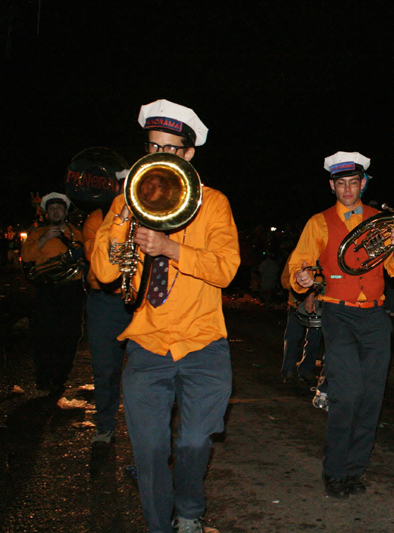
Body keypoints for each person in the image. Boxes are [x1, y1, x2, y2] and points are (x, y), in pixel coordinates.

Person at [91, 99, 240, 533]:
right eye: (153, 146)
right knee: (150, 449)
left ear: (189, 154)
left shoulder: (213, 203)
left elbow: (226, 268)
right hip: (147, 343)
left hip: (203, 341)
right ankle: (159, 525)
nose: (161, 156)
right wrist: (123, 212)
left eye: (172, 148)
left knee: (195, 440)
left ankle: (189, 510)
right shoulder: (127, 200)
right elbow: (103, 271)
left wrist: (170, 248)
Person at [288, 151, 394, 499]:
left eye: (353, 183)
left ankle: (355, 470)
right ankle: (335, 470)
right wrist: (302, 276)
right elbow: (300, 265)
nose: (346, 189)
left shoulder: (380, 219)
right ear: (332, 185)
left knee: (372, 396)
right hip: (338, 313)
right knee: (348, 393)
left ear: (363, 183)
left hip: (374, 315)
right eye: (340, 184)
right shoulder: (319, 222)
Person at [21, 192, 86, 394]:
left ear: (66, 212)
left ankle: (60, 378)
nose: (55, 211)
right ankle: (43, 376)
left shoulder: (77, 233)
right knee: (44, 334)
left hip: (71, 290)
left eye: (59, 208)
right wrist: (44, 239)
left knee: (70, 334)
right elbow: (26, 256)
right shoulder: (36, 233)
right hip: (47, 290)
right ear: (46, 213)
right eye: (51, 209)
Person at [83, 202, 133, 446]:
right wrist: (120, 223)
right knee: (105, 369)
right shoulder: (98, 215)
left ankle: (148, 437)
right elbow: (95, 254)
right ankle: (105, 425)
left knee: (147, 370)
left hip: (139, 301)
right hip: (106, 301)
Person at [278, 260, 322, 385]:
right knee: (293, 337)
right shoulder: (297, 256)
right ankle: (288, 370)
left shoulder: (322, 254)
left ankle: (306, 370)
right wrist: (302, 289)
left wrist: (314, 293)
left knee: (314, 338)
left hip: (318, 306)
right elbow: (285, 280)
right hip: (297, 304)